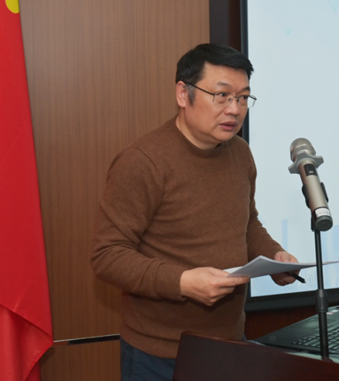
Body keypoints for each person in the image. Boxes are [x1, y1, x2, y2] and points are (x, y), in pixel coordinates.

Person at [91, 43, 297, 381]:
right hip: (160, 355)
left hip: (229, 343)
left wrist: (273, 255)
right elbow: (107, 256)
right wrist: (183, 282)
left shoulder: (240, 153)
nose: (234, 109)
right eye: (222, 96)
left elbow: (247, 222)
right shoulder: (142, 162)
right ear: (183, 94)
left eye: (243, 98)